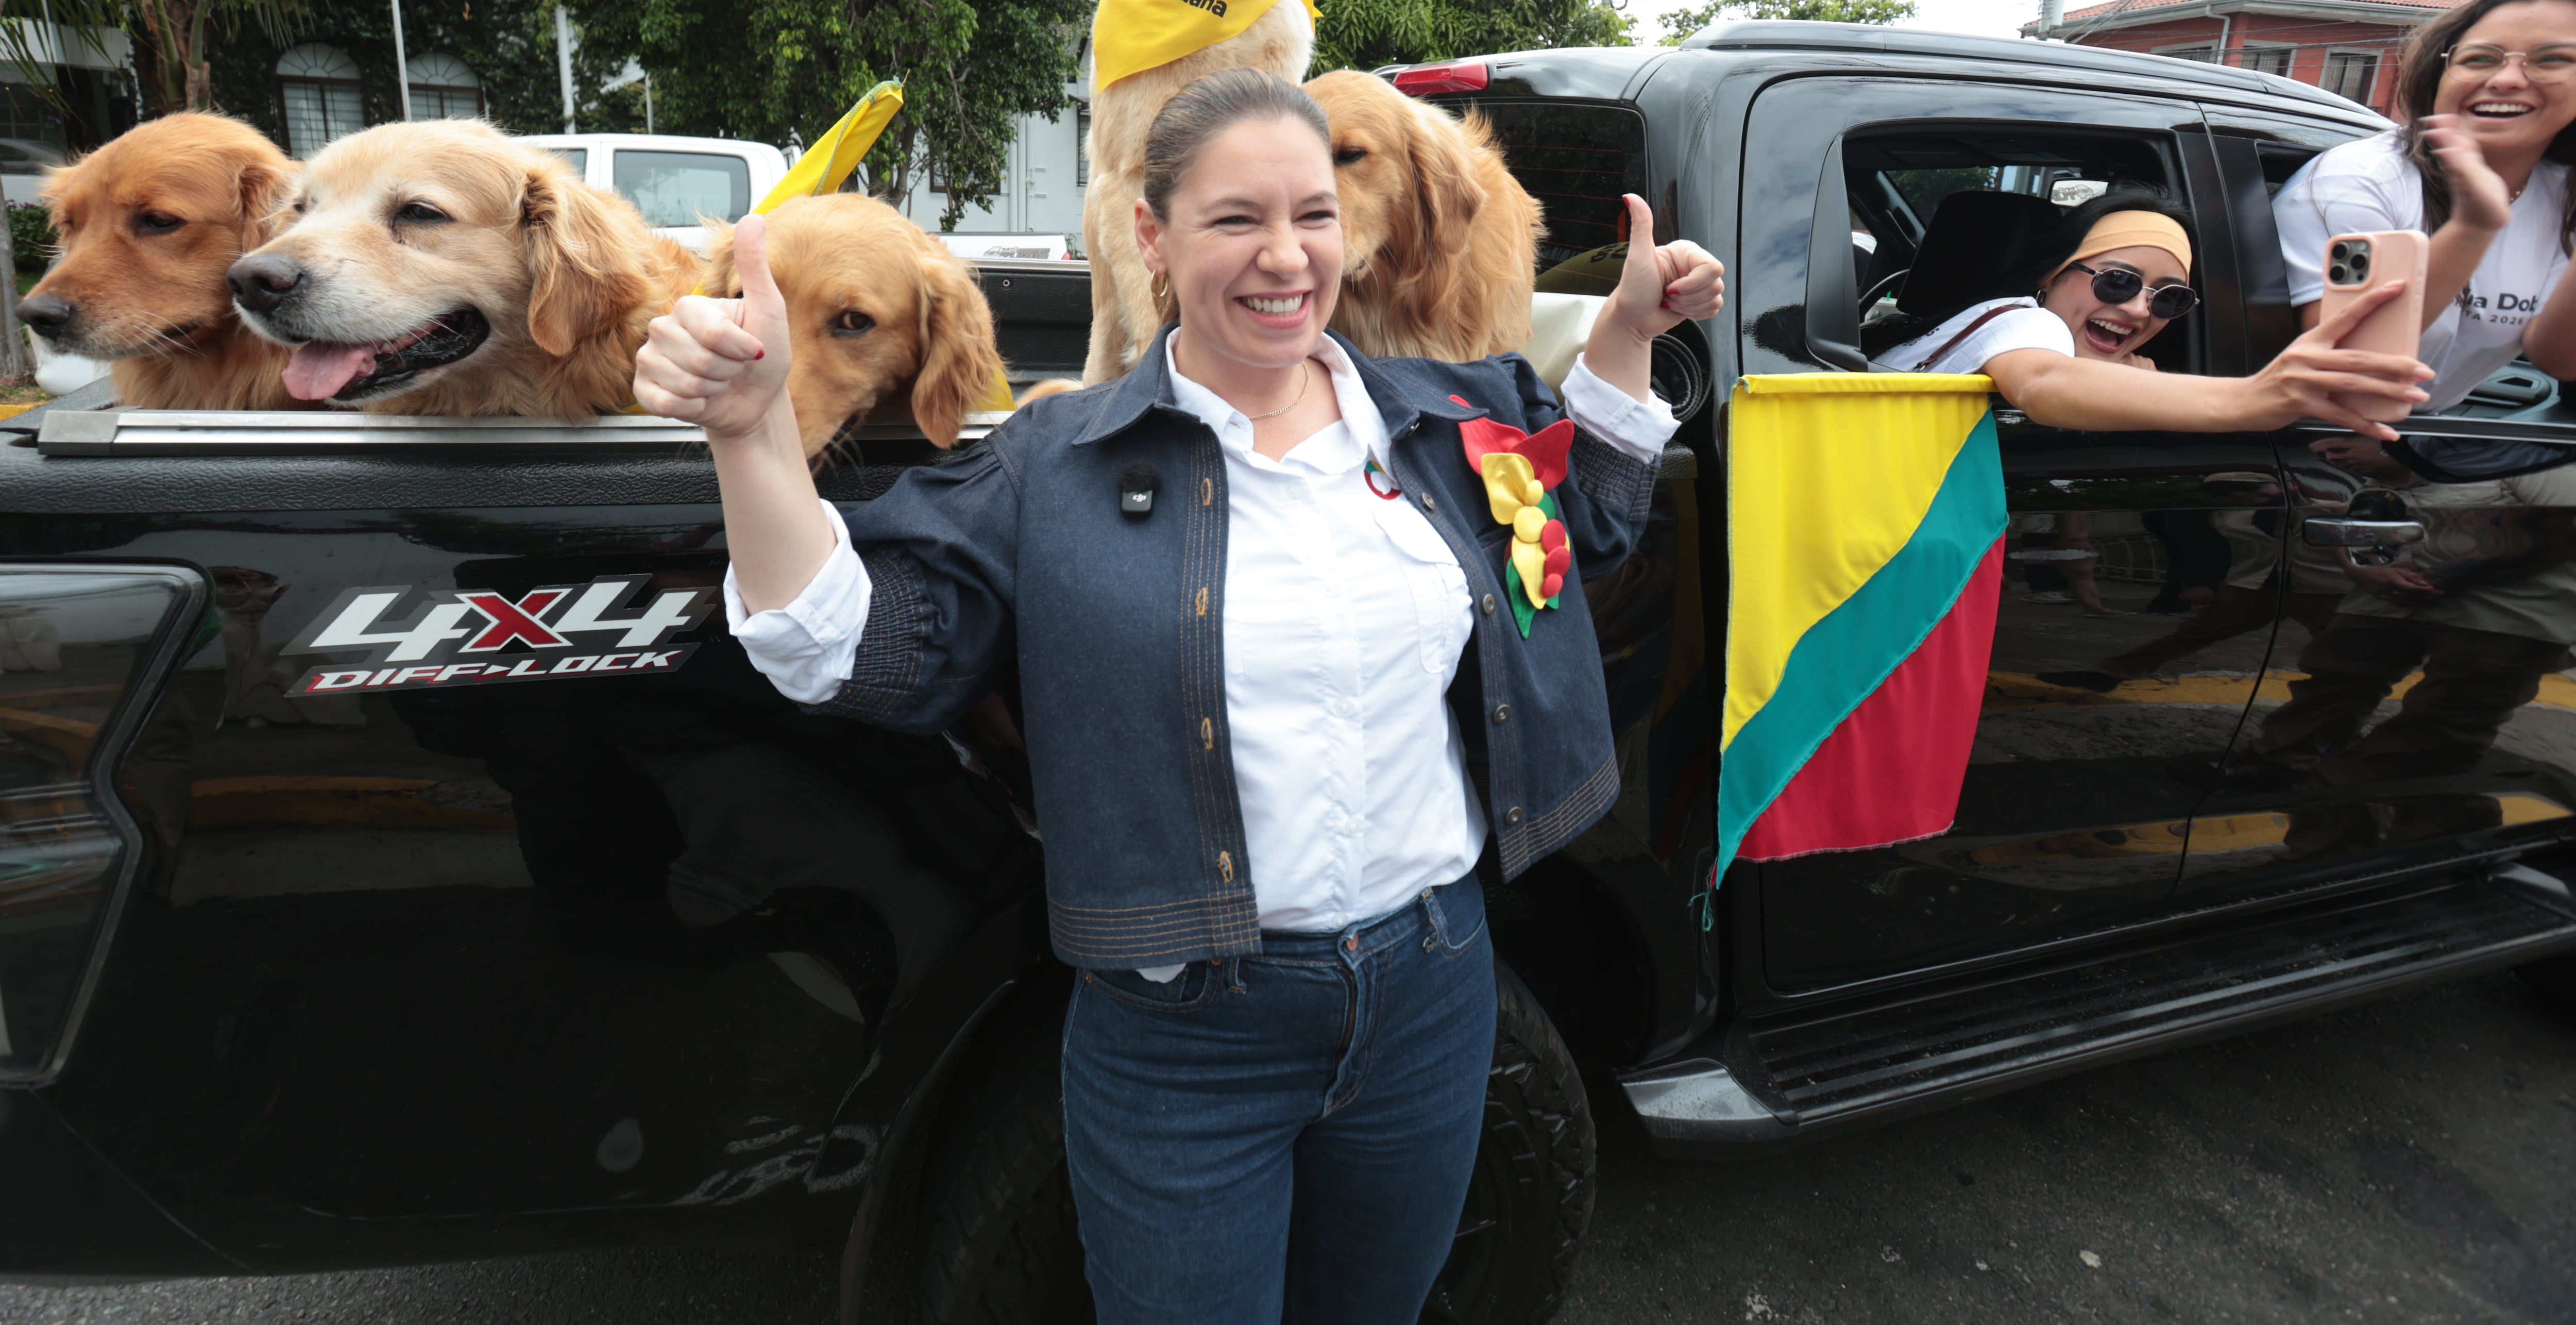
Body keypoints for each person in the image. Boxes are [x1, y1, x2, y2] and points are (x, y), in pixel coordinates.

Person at [631, 68, 1725, 1324]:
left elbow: (1582, 513)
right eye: (1234, 220)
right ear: (1152, 237)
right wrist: (751, 432)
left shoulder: (1446, 414)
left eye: (1312, 214)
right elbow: (855, 645)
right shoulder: (1059, 459)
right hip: (1186, 1039)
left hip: (1435, 993)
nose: (1285, 258)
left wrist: (1629, 331)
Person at [1885, 191, 2432, 437]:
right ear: (2050, 277)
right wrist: (2255, 398)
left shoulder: (1942, 329)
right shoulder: (2023, 321)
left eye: (2168, 298)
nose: (2135, 309)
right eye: (2116, 280)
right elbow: (2041, 381)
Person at [2275, 0, 2576, 412]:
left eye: (2552, 60)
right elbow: (2349, 374)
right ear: (2441, 73)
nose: (2508, 79)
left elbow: (2557, 358)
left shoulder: (2560, 192)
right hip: (2302, 443)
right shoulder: (2359, 182)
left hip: (2426, 444)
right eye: (2480, 58)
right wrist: (2475, 227)